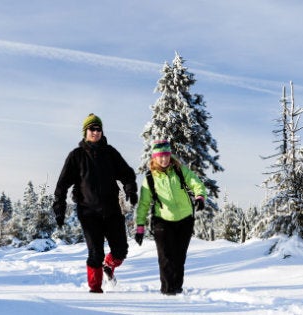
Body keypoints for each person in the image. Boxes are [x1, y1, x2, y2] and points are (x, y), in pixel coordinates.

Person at [52, 113, 138, 293]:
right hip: (88, 212)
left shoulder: (110, 153)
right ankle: (95, 291)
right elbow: (62, 185)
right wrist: (59, 208)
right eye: (92, 129)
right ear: (85, 131)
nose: (96, 132)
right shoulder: (76, 156)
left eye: (98, 129)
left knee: (121, 250)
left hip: (112, 210)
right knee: (95, 253)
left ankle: (109, 265)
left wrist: (130, 189)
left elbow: (127, 174)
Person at [134, 140, 207, 295]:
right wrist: (140, 226)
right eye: (160, 156)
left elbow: (196, 182)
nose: (164, 159)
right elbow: (144, 204)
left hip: (185, 219)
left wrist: (200, 196)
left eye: (166, 155)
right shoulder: (149, 178)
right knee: (166, 257)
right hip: (163, 220)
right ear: (154, 157)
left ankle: (177, 289)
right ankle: (168, 292)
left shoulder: (179, 170)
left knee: (179, 257)